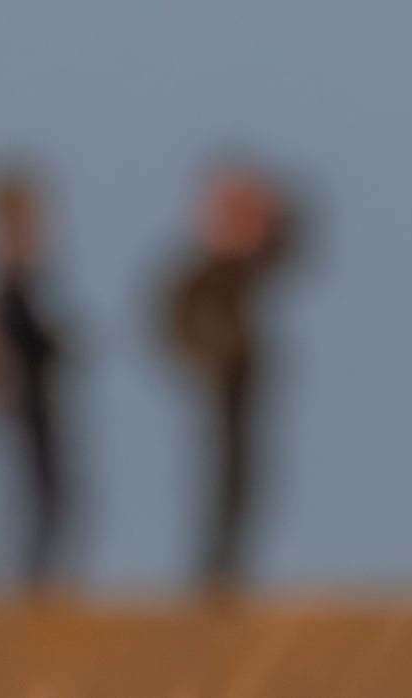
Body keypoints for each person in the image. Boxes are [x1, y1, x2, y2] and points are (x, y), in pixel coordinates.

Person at [154, 155, 300, 595]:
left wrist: (266, 215)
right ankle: (213, 574)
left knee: (246, 480)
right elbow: (171, 323)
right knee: (222, 479)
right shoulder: (198, 273)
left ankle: (225, 573)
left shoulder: (245, 267)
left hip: (245, 383)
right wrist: (202, 359)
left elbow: (292, 247)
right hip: (219, 385)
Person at [0, 159, 75, 592]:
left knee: (40, 495)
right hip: (20, 399)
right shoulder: (4, 281)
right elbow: (1, 344)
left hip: (26, 397)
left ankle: (31, 585)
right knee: (39, 496)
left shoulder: (16, 278)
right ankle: (26, 588)